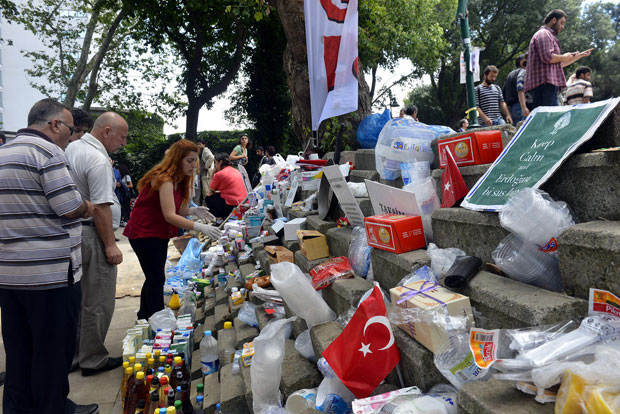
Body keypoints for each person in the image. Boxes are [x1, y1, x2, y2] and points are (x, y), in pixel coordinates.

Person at [0, 98, 97, 413]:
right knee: (52, 349)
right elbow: (69, 208)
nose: (72, 136)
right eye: (71, 129)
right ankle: (54, 407)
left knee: (18, 350)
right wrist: (88, 207)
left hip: (10, 274)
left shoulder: (3, 153)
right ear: (55, 124)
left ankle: (18, 408)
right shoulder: (47, 152)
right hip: (50, 274)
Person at [123, 139, 221, 320]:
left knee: (154, 276)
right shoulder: (165, 180)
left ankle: (145, 316)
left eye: (195, 160)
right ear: (177, 160)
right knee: (156, 278)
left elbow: (173, 209)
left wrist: (193, 211)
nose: (194, 165)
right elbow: (170, 215)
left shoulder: (177, 180)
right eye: (189, 160)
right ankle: (156, 318)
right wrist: (199, 226)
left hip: (157, 233)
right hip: (144, 233)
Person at [65, 112, 127, 377]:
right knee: (98, 299)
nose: (123, 143)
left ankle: (76, 354)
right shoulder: (97, 158)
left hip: (74, 233)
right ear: (106, 131)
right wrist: (110, 245)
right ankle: (93, 358)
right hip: (92, 234)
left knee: (78, 300)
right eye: (122, 136)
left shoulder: (71, 148)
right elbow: (101, 208)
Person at [525, 9, 593, 109]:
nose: (562, 27)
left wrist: (579, 56)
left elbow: (558, 64)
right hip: (544, 85)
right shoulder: (543, 34)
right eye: (561, 23)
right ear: (553, 20)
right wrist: (564, 56)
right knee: (545, 119)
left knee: (551, 119)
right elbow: (548, 57)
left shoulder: (548, 36)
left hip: (549, 86)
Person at [205, 153, 248, 218]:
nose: (215, 165)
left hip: (232, 204)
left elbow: (211, 189)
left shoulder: (219, 174)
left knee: (208, 198)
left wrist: (213, 173)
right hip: (244, 201)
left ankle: (220, 218)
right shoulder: (236, 170)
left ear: (220, 162)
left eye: (216, 163)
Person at [503, 54, 532, 125]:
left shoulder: (510, 75)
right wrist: (524, 107)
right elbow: (520, 89)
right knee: (524, 129)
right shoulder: (522, 72)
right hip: (521, 106)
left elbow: (503, 96)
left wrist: (508, 113)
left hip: (513, 108)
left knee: (517, 130)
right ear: (521, 63)